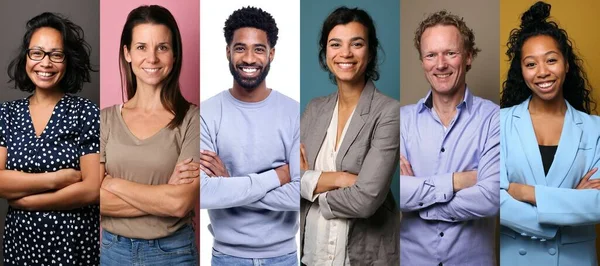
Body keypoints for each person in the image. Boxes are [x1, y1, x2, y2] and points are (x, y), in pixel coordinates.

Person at [499, 2, 600, 265]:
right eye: (531, 64)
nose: (542, 72)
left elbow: (597, 204)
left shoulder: (594, 128)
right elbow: (494, 200)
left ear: (566, 64)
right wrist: (572, 202)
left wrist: (525, 192)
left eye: (552, 60)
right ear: (521, 72)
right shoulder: (499, 123)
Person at [299, 6, 400, 265]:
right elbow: (288, 179)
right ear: (326, 52)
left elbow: (367, 200)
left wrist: (310, 184)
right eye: (335, 44)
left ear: (371, 50)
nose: (345, 53)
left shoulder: (389, 112)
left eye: (356, 43)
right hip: (311, 252)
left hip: (363, 255)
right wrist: (344, 179)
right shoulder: (314, 109)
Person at [199, 6, 299, 266]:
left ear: (271, 54)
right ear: (228, 52)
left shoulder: (295, 113)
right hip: (226, 257)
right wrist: (278, 176)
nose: (250, 58)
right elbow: (203, 193)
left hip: (283, 258)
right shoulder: (206, 113)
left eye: (259, 49)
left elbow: (301, 193)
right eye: (240, 48)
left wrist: (230, 183)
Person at [99, 5, 199, 265]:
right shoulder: (104, 120)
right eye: (142, 47)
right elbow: (91, 200)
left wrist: (112, 184)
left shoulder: (193, 120)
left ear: (174, 54)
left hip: (173, 253)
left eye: (162, 47)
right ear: (127, 53)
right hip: (113, 252)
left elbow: (180, 204)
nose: (152, 58)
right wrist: (164, 194)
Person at [399, 10, 500, 265]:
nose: (440, 64)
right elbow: (392, 194)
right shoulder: (401, 121)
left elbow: (490, 198)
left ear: (468, 57)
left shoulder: (494, 119)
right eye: (431, 55)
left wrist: (419, 201)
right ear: (423, 62)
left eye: (450, 53)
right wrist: (459, 180)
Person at [0, 12, 99, 265]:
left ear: (67, 62)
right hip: (20, 245)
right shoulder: (6, 114)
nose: (46, 63)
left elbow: (90, 189)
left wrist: (29, 202)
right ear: (26, 58)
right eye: (37, 53)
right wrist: (57, 178)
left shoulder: (86, 112)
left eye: (56, 54)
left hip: (73, 245)